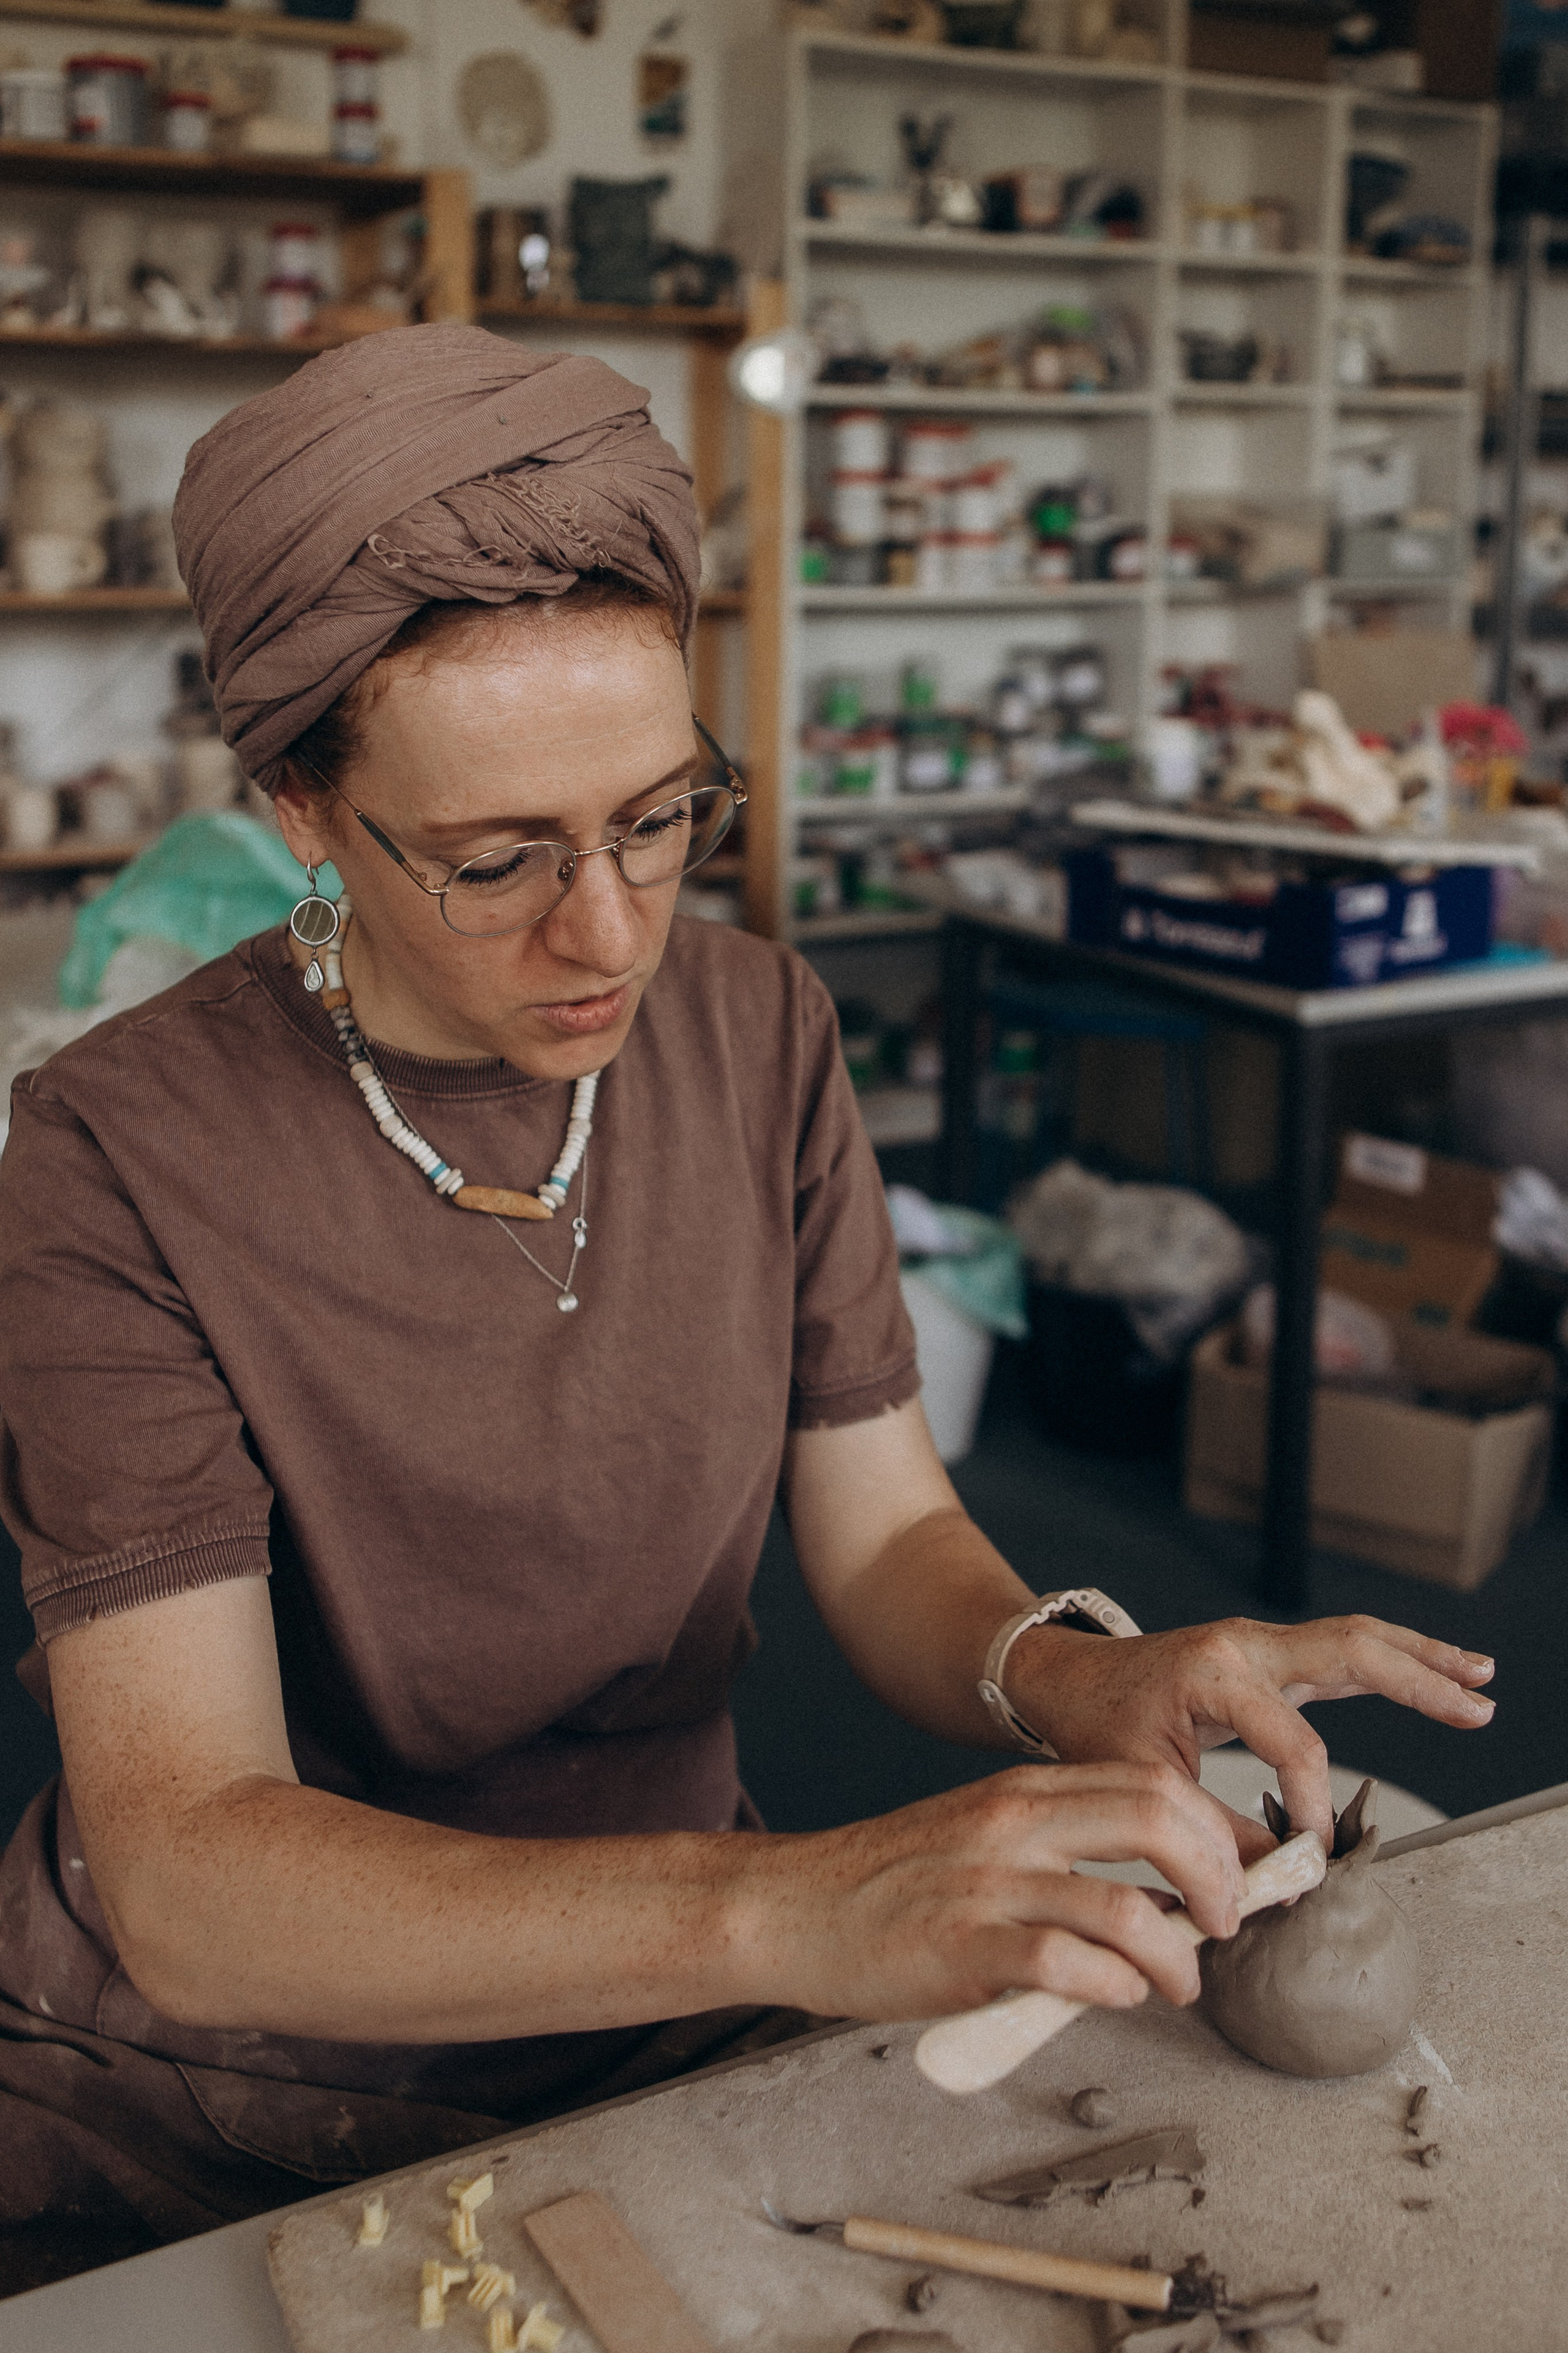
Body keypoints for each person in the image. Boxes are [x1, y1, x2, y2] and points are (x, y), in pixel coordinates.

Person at [0, 327, 1494, 2279]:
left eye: (655, 811)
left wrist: (1074, 1677)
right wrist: (793, 1907)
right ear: (300, 801)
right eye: (495, 858)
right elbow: (194, 1873)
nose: (610, 930)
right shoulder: (110, 1158)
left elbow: (883, 1535)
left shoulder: (760, 1029)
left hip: (685, 2007)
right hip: (246, 2087)